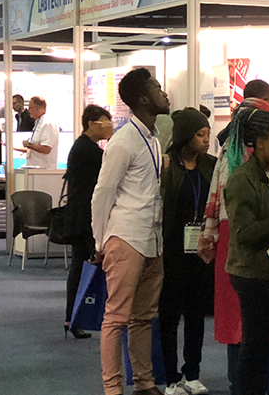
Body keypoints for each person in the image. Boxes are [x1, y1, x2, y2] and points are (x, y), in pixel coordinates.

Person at [91, 67, 171, 395]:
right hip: (125, 238)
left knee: (143, 317)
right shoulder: (123, 141)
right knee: (116, 317)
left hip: (152, 238)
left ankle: (144, 382)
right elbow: (103, 194)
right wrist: (100, 241)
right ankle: (112, 388)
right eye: (157, 88)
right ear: (142, 99)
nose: (164, 92)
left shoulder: (153, 139)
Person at [197, 95, 269, 395]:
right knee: (250, 328)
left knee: (246, 327)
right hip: (246, 249)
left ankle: (250, 384)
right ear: (261, 139)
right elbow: (249, 227)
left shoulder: (229, 155)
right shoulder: (248, 170)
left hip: (230, 242)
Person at [225, 109, 269, 395]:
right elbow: (244, 233)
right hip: (252, 274)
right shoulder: (242, 180)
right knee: (254, 346)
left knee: (262, 343)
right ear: (261, 143)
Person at [160, 108, 218, 395]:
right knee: (169, 316)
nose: (206, 139)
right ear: (185, 136)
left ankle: (192, 373)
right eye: (200, 134)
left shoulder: (212, 165)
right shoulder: (167, 165)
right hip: (172, 248)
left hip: (201, 250)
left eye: (208, 133)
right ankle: (171, 378)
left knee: (196, 315)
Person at [63, 105, 114, 340]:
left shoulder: (84, 147)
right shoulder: (89, 150)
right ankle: (75, 317)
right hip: (85, 218)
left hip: (80, 215)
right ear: (92, 124)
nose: (110, 126)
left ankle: (73, 317)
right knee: (82, 267)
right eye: (106, 121)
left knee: (79, 266)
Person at [19, 97, 60, 169]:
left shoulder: (47, 124)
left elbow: (46, 148)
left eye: (30, 108)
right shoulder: (38, 123)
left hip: (43, 169)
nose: (28, 110)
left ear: (37, 108)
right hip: (34, 168)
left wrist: (29, 144)